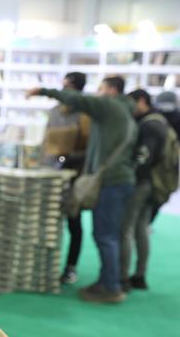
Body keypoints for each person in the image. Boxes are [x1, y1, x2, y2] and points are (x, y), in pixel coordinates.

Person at [29, 76, 136, 303]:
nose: (97, 93)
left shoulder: (109, 106)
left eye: (101, 88)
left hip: (111, 181)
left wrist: (42, 90)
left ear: (112, 91)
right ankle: (108, 281)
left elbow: (77, 99)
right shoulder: (125, 112)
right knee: (109, 235)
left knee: (106, 236)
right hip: (120, 180)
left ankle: (111, 288)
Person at [120, 89, 176, 291]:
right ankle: (139, 275)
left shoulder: (149, 125)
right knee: (141, 228)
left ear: (142, 101)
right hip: (156, 183)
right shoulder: (160, 122)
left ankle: (122, 278)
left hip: (143, 182)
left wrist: (131, 177)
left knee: (126, 229)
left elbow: (144, 157)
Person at [44, 72, 91, 285]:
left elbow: (89, 148)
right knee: (48, 222)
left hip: (75, 175)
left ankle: (71, 267)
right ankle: (46, 267)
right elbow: (46, 141)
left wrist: (71, 157)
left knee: (74, 222)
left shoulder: (86, 115)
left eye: (68, 87)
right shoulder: (54, 112)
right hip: (51, 175)